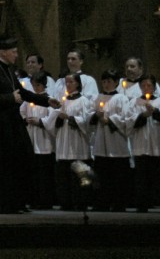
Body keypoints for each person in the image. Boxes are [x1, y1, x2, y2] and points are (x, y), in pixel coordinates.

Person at [0, 37, 56, 213]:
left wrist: (46, 100)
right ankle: (5, 203)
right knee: (5, 164)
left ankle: (18, 200)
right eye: (13, 52)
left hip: (11, 121)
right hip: (0, 125)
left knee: (21, 159)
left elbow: (22, 92)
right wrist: (10, 98)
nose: (16, 55)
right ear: (3, 52)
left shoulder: (8, 69)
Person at [125, 74, 160, 213]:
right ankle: (142, 204)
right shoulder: (134, 103)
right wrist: (142, 116)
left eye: (149, 85)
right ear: (140, 87)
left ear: (154, 87)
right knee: (142, 178)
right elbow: (128, 122)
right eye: (143, 85)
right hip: (142, 145)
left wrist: (157, 112)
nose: (146, 88)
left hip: (158, 144)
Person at [47, 73, 94, 212]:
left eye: (71, 82)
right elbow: (51, 124)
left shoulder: (84, 101)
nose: (68, 84)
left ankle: (81, 202)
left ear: (78, 84)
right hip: (63, 143)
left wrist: (72, 119)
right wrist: (59, 119)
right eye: (66, 82)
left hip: (78, 143)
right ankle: (65, 202)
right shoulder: (62, 102)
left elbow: (88, 122)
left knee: (79, 175)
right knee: (63, 176)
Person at [90, 70, 131, 212]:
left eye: (109, 81)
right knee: (102, 175)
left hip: (116, 142)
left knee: (118, 177)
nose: (106, 84)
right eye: (104, 81)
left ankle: (119, 203)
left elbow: (126, 118)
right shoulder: (98, 97)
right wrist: (96, 116)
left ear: (116, 82)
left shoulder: (121, 98)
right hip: (101, 142)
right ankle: (102, 202)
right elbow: (89, 116)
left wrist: (110, 120)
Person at [21, 72, 56, 210]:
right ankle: (33, 199)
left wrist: (40, 121)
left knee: (45, 173)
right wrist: (26, 119)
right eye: (33, 85)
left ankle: (46, 200)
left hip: (45, 140)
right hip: (32, 137)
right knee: (33, 172)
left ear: (42, 85)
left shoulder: (49, 99)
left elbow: (53, 117)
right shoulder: (29, 99)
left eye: (37, 85)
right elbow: (21, 112)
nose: (34, 88)